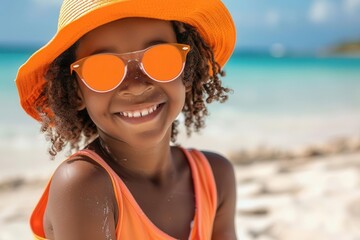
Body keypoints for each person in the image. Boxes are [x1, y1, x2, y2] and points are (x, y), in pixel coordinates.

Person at [15, 0, 237, 239]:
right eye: (102, 70)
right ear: (76, 91)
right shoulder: (83, 185)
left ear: (187, 70)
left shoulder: (215, 176)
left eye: (161, 59)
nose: (136, 85)